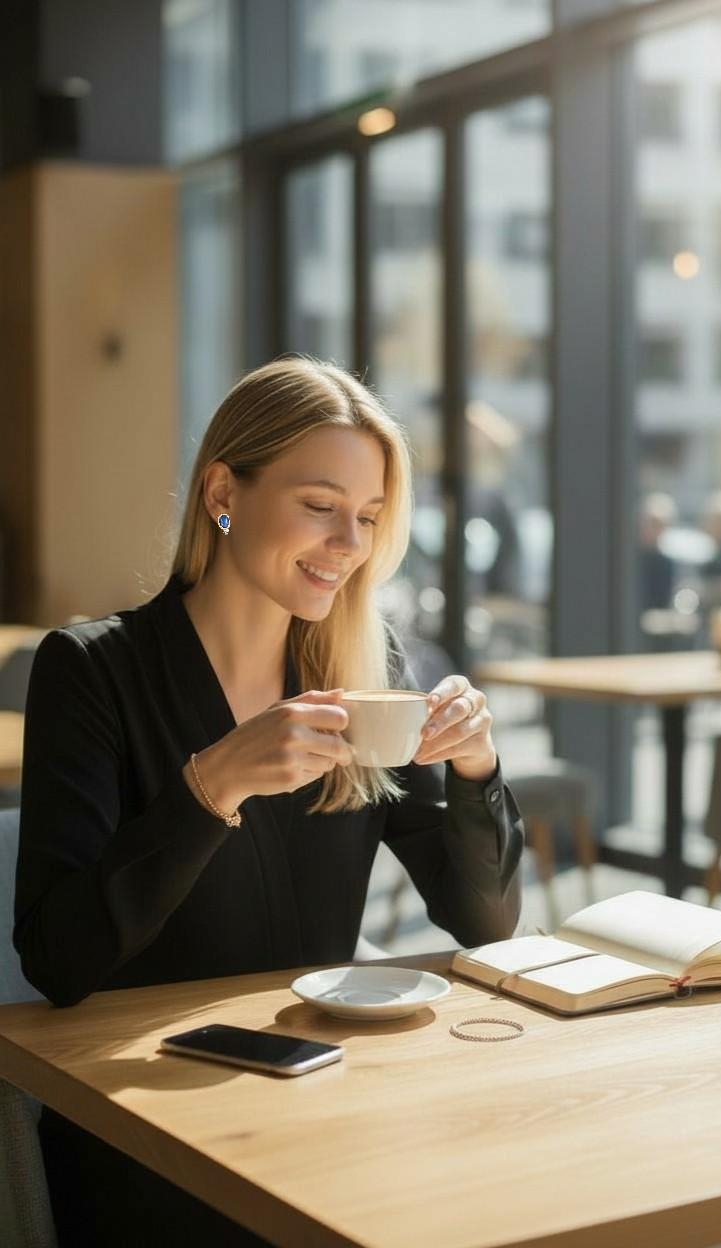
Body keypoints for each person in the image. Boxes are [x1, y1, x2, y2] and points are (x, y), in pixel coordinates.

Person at [14, 356, 524, 1247]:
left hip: (329, 1098)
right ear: (223, 491)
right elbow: (60, 961)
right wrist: (211, 785)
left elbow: (482, 921)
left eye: (367, 518)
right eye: (320, 506)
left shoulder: (368, 673)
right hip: (148, 1123)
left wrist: (477, 772)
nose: (348, 544)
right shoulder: (93, 670)